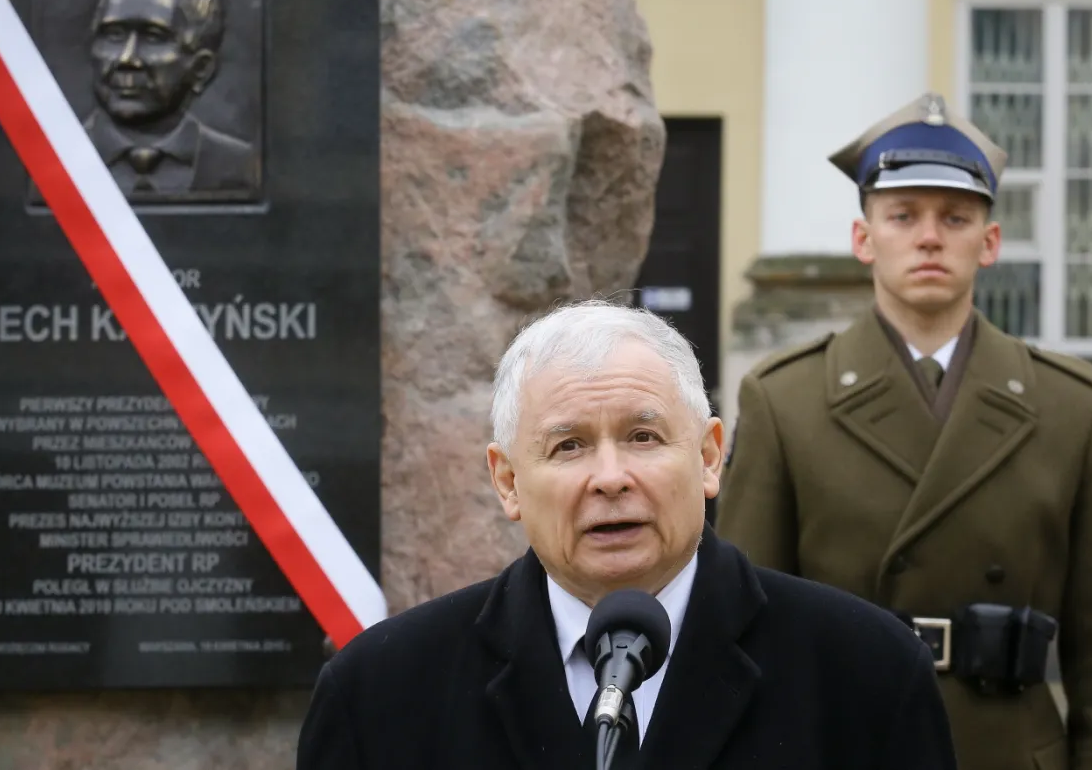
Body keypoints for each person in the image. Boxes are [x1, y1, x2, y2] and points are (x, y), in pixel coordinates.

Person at [298, 299, 957, 769]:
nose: (610, 478)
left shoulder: (866, 673)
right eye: (569, 446)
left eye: (643, 437)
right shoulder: (380, 694)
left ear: (708, 456)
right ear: (507, 481)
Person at [714, 92, 1092, 770]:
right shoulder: (784, 400)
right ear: (864, 239)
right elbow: (745, 629)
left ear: (991, 241)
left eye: (955, 217)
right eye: (903, 215)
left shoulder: (1074, 406)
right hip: (846, 746)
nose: (928, 236)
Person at [83, 0, 255, 199]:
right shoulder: (51, 159)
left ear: (201, 68)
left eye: (153, 38)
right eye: (113, 35)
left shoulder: (244, 165)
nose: (126, 58)